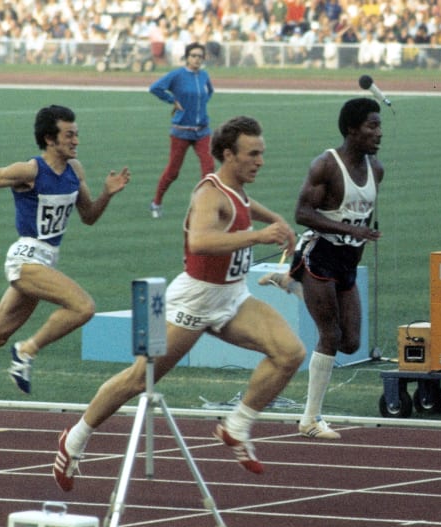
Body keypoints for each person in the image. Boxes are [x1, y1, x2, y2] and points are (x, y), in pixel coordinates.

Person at [53, 116, 304, 492]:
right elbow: (201, 242)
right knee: (139, 379)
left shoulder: (236, 189)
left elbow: (242, 207)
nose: (260, 161)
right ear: (227, 155)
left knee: (290, 353)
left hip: (232, 295)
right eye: (252, 154)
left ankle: (237, 426)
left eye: (262, 153)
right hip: (194, 299)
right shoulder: (209, 194)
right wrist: (260, 234)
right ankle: (74, 439)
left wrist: (276, 220)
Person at [0, 105, 131, 435]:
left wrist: (107, 193)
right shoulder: (30, 171)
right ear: (50, 139)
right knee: (83, 307)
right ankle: (27, 350)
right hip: (25, 257)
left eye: (76, 133)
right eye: (69, 134)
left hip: (46, 260)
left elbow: (89, 216)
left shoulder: (74, 170)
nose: (76, 140)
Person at [260, 98, 384, 440]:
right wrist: (351, 231)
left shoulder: (377, 169)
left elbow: (362, 216)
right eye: (372, 126)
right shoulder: (326, 166)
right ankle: (310, 419)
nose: (379, 133)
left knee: (350, 343)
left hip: (346, 262)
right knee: (329, 336)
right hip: (319, 255)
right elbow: (302, 212)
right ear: (351, 130)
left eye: (379, 126)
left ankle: (291, 285)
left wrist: (360, 238)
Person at [148, 42, 215, 219]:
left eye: (200, 56)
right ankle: (156, 202)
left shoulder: (204, 75)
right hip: (181, 130)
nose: (197, 59)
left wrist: (199, 107)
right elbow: (155, 88)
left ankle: (204, 206)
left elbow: (210, 92)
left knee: (209, 169)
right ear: (187, 57)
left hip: (202, 130)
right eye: (193, 55)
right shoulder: (177, 75)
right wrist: (172, 101)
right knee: (173, 171)